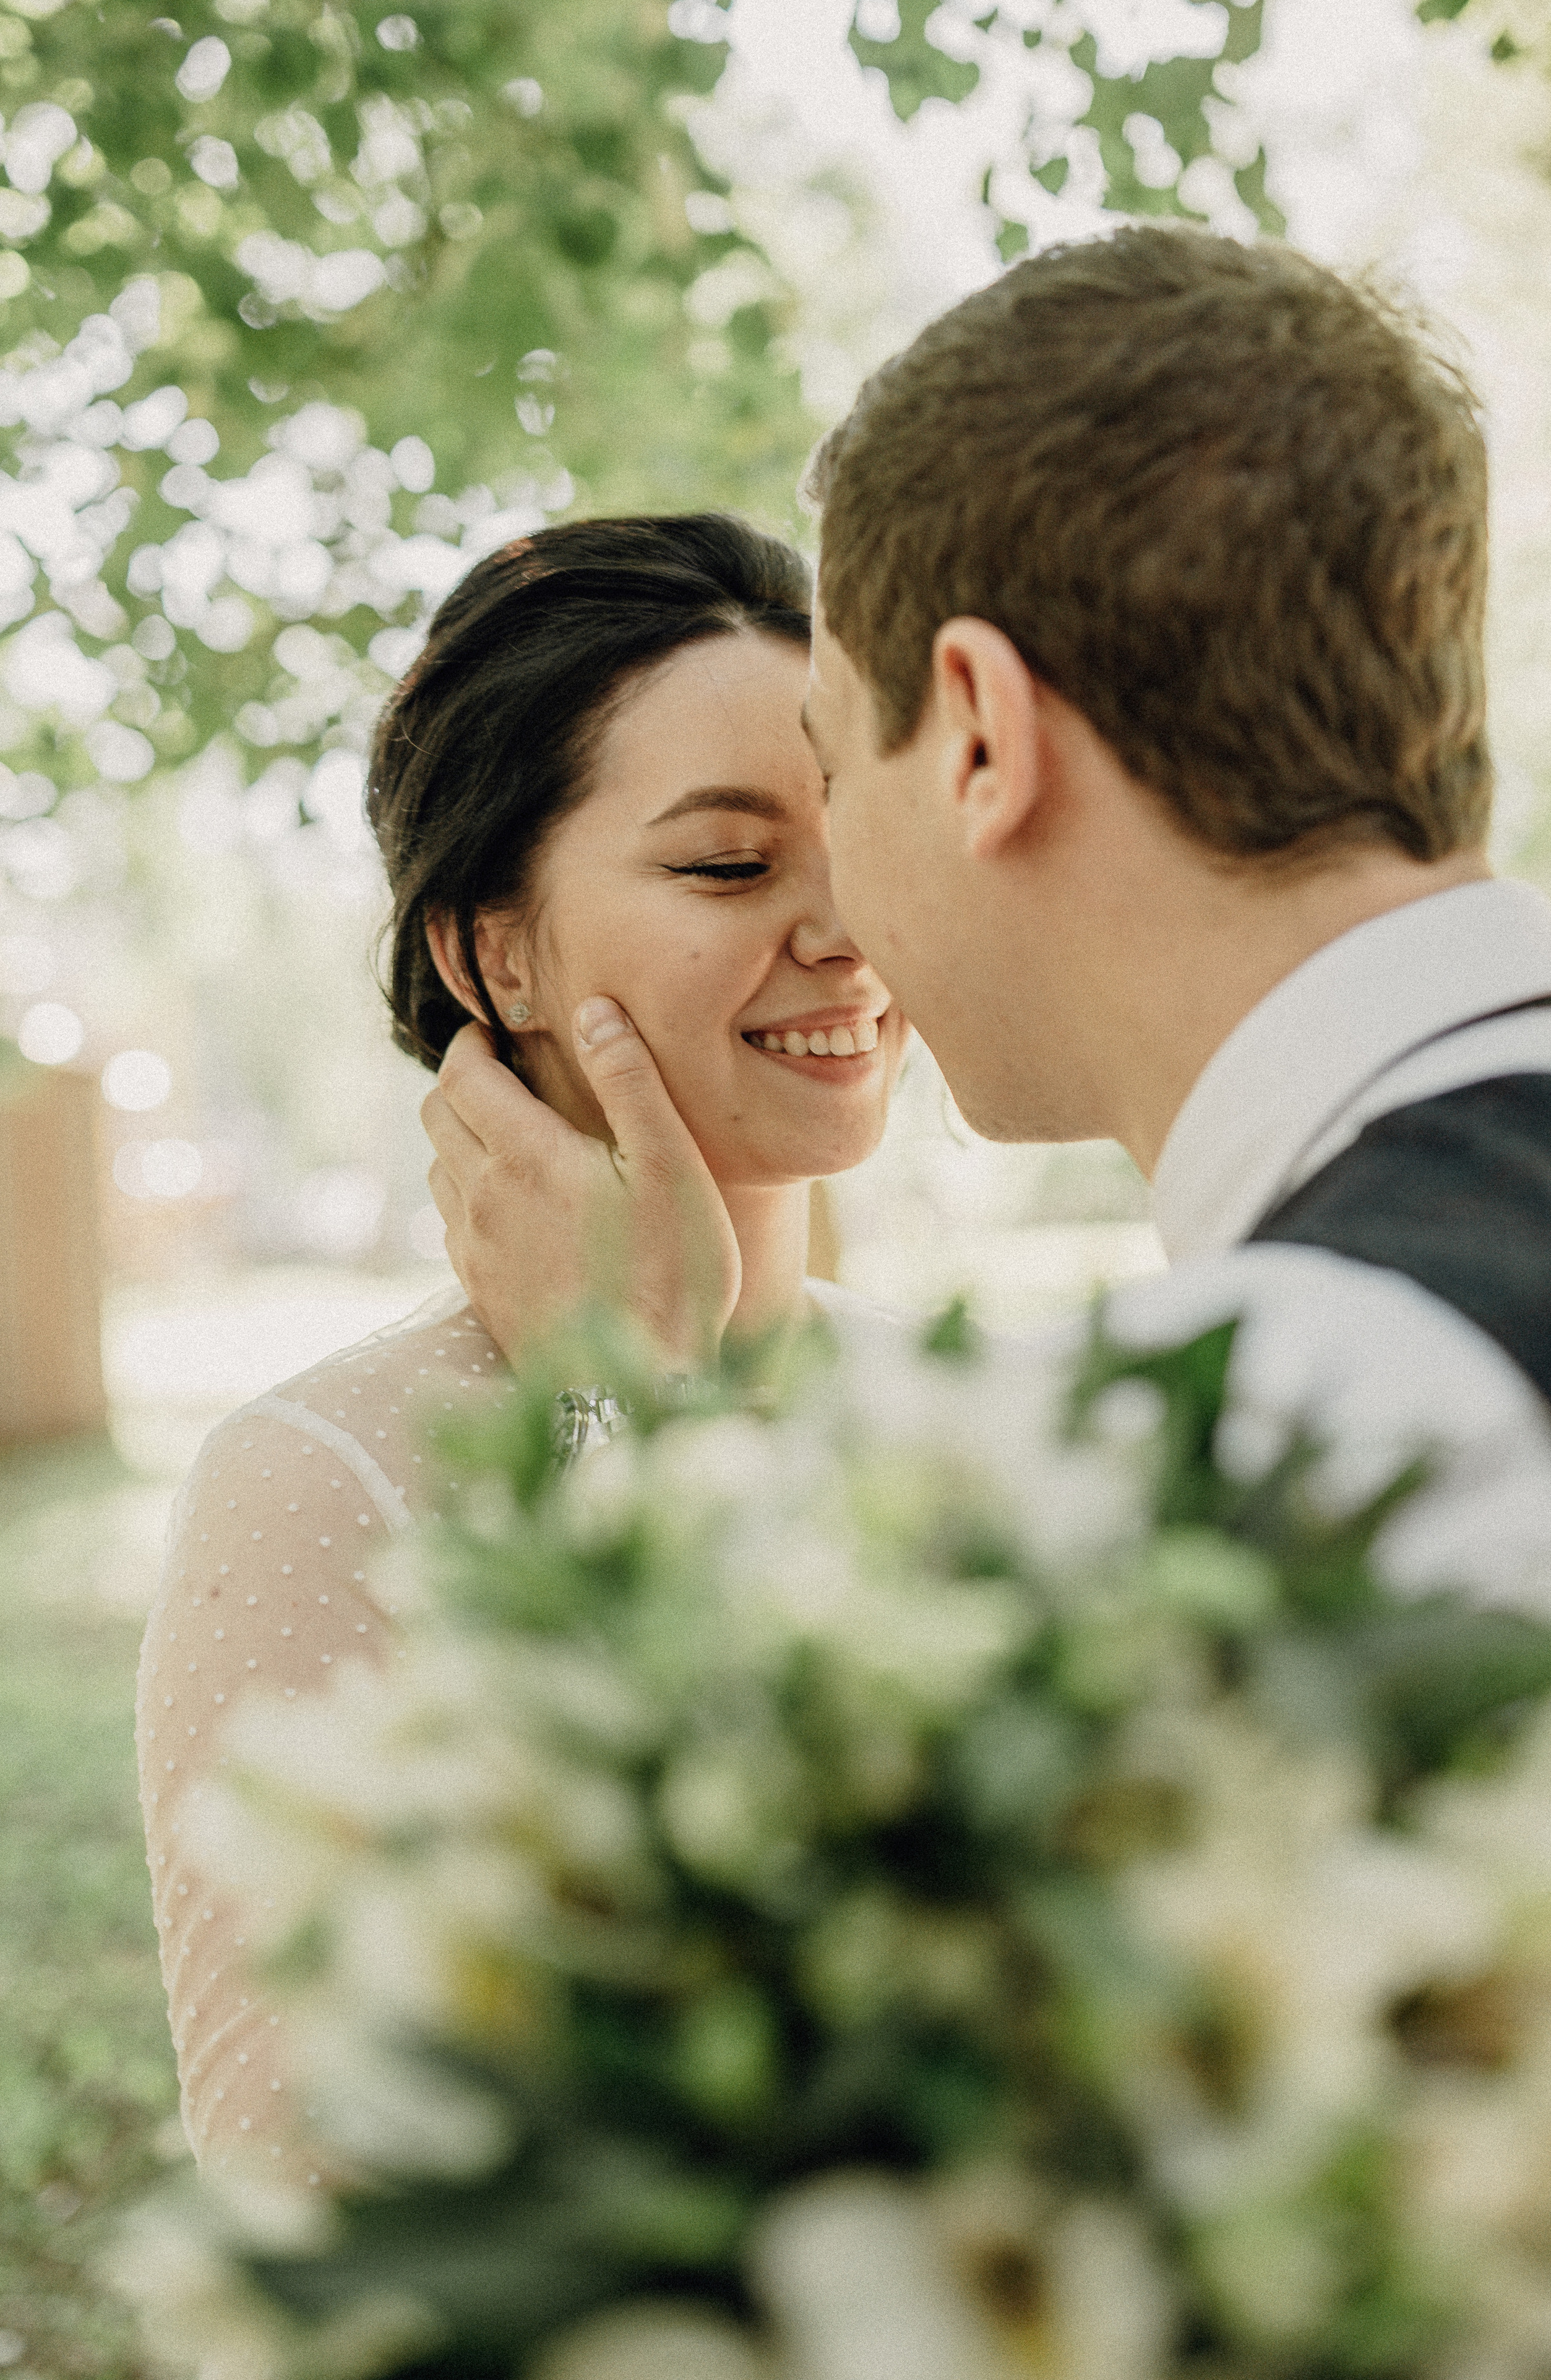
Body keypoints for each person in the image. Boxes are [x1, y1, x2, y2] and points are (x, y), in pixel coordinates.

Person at [422, 226, 1551, 1609]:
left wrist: (617, 1402)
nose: (838, 917)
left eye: (834, 770)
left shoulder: (1275, 1437)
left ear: (978, 739)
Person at [135, 513, 911, 2176]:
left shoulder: (970, 1405)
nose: (843, 929)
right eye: (727, 863)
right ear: (494, 949)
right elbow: (312, 2205)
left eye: (860, 839)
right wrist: (626, 1414)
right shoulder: (312, 1484)